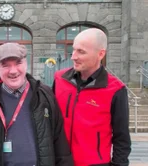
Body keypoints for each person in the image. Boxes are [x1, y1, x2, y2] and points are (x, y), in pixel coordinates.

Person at [0, 42, 73, 166]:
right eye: (6, 66)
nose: (13, 71)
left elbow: (59, 141)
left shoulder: (44, 95)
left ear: (26, 63)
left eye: (18, 63)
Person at [53, 28, 131, 166]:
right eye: (74, 49)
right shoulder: (59, 79)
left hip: (95, 163)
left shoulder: (116, 90)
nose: (73, 56)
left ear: (100, 54)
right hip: (59, 161)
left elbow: (122, 138)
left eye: (81, 52)